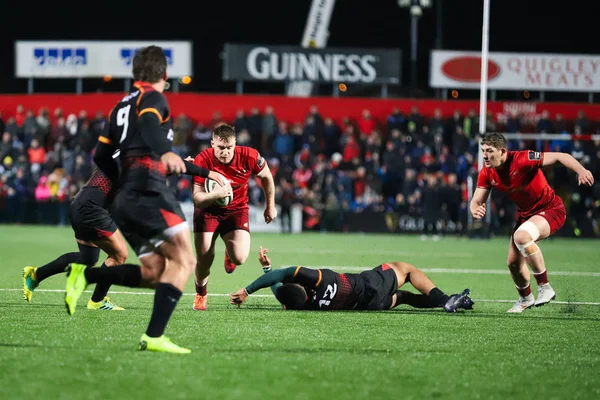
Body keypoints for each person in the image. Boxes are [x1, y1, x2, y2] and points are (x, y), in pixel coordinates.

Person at [64, 45, 227, 354]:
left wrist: (198, 170)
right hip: (150, 194)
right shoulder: (153, 98)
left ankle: (86, 275)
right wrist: (164, 151)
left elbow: (100, 154)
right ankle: (153, 336)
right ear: (164, 75)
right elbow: (153, 128)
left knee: (155, 272)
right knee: (186, 260)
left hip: (125, 199)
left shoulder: (119, 106)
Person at [470, 132, 594, 313]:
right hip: (526, 216)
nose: (484, 156)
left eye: (489, 151)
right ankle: (525, 299)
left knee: (521, 236)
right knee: (513, 263)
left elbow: (561, 156)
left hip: (551, 209)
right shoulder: (487, 173)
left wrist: (581, 171)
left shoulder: (522, 159)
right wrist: (475, 209)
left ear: (503, 151)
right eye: (483, 151)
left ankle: (545, 287)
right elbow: (476, 200)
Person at [230, 246, 474, 313]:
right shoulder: (319, 279)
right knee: (405, 269)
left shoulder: (302, 305)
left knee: (407, 297)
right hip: (369, 286)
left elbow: (278, 289)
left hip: (372, 306)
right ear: (300, 284)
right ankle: (445, 300)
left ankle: (452, 303)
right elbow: (282, 276)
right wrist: (248, 290)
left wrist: (266, 270)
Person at [191, 123, 277, 311]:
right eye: (221, 148)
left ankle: (230, 253)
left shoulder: (249, 155)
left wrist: (270, 205)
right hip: (207, 211)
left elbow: (267, 177)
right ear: (212, 143)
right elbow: (197, 199)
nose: (225, 152)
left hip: (236, 210)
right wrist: (217, 194)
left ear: (235, 143)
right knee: (204, 256)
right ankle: (201, 294)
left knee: (240, 258)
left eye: (229, 147)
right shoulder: (202, 160)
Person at [23, 168, 128, 311]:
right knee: (119, 255)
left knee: (88, 258)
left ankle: (35, 275)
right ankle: (97, 301)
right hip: (92, 209)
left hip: (79, 204)